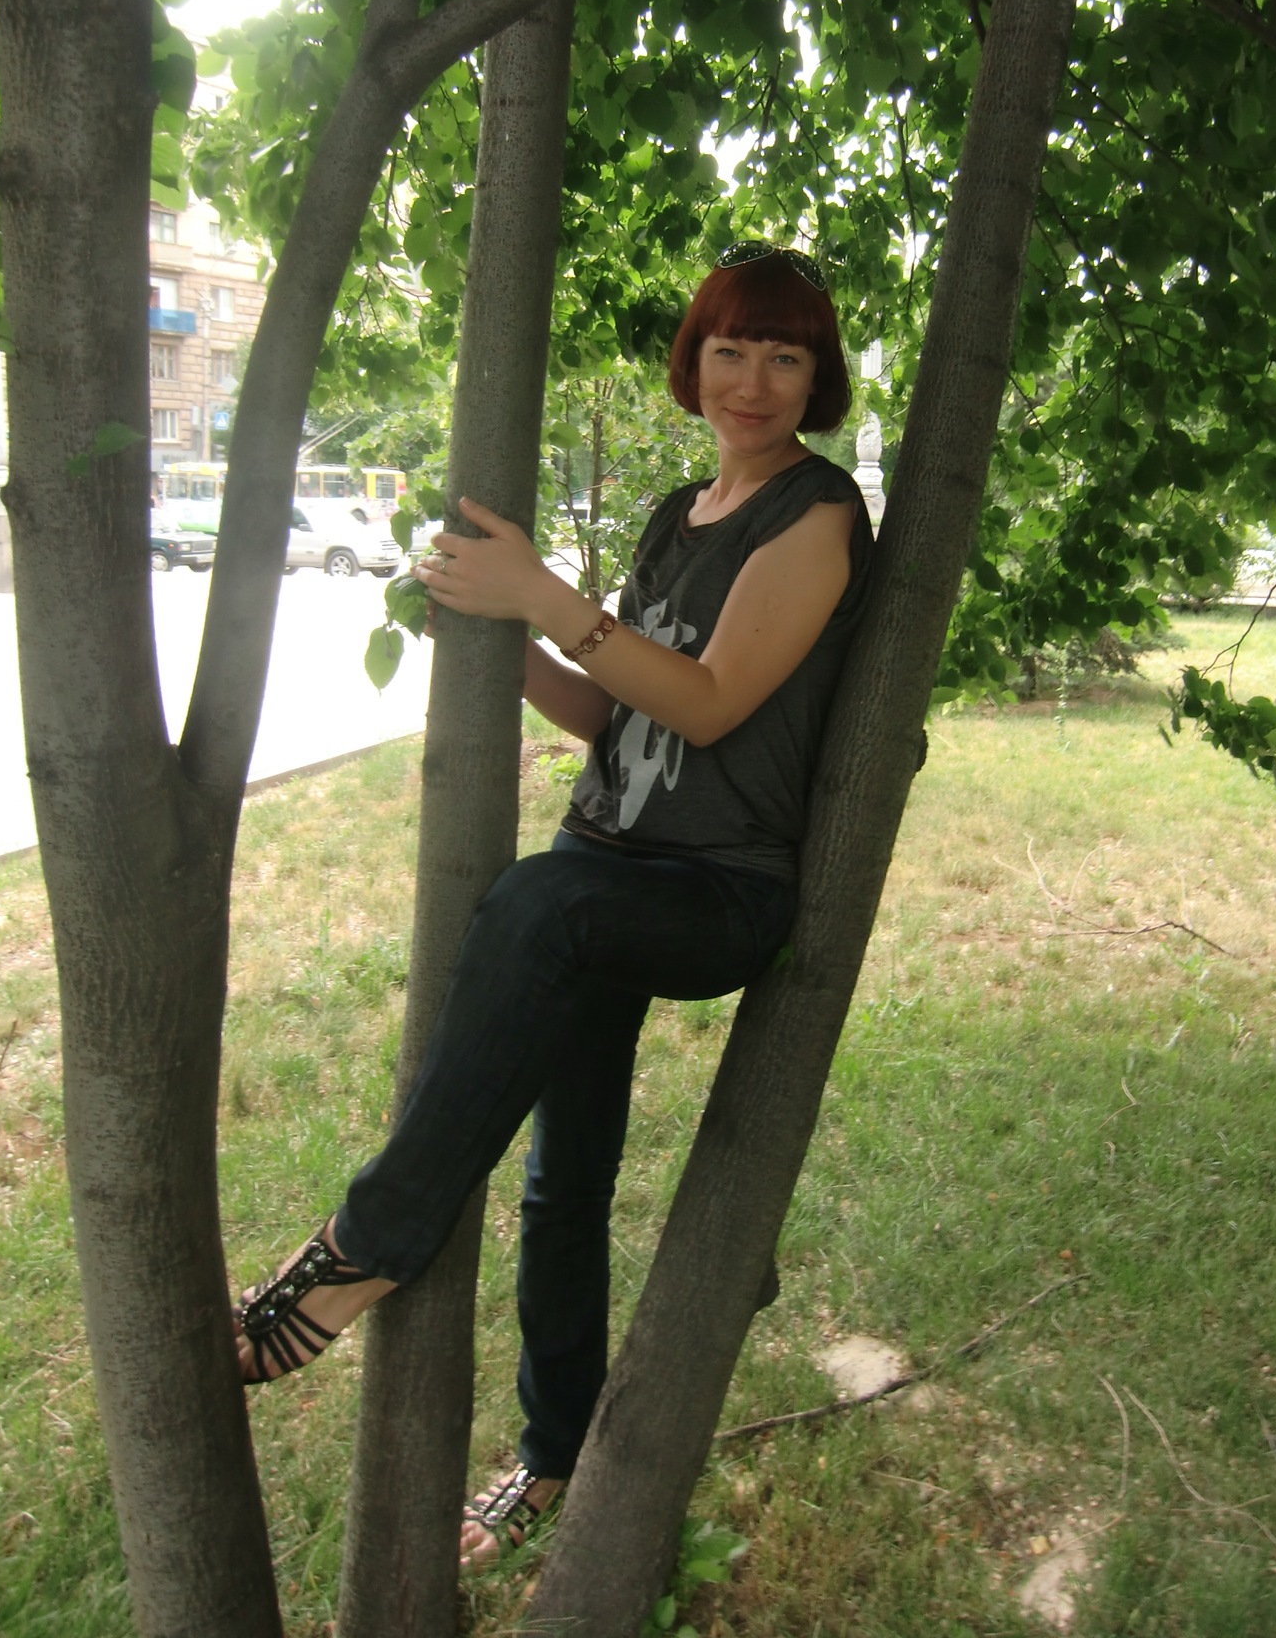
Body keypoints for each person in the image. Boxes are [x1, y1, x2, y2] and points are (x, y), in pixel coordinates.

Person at [232, 241, 873, 1566]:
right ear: (693, 363)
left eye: (786, 356)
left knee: (536, 901)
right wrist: (499, 636)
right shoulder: (674, 517)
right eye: (731, 350)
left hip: (712, 890)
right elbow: (619, 712)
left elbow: (710, 703)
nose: (753, 382)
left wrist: (542, 592)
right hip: (609, 867)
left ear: (817, 379)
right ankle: (553, 1452)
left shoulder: (815, 516)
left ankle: (367, 1244)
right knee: (559, 1184)